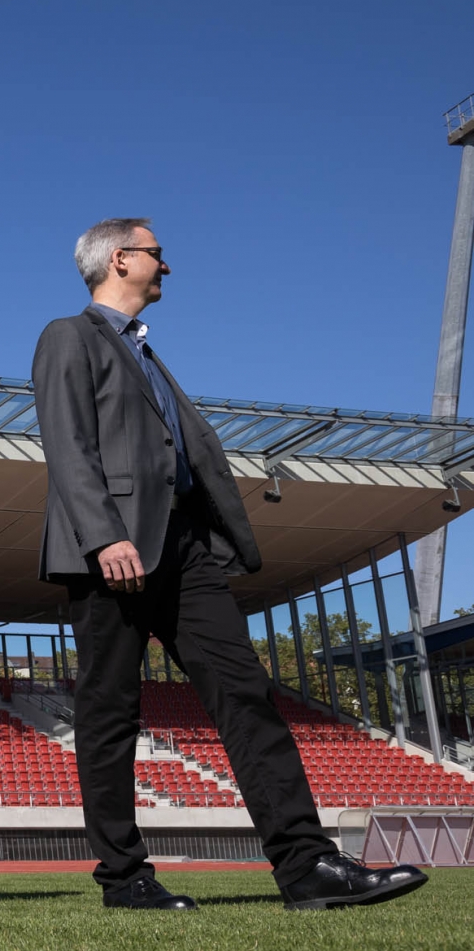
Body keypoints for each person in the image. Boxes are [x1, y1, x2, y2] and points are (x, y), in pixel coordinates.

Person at [34, 219, 428, 911]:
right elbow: (68, 443)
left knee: (246, 693)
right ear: (120, 259)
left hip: (183, 547)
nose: (167, 267)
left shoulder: (148, 354)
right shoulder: (69, 335)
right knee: (110, 710)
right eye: (157, 254)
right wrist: (103, 537)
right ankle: (124, 878)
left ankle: (305, 865)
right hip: (113, 551)